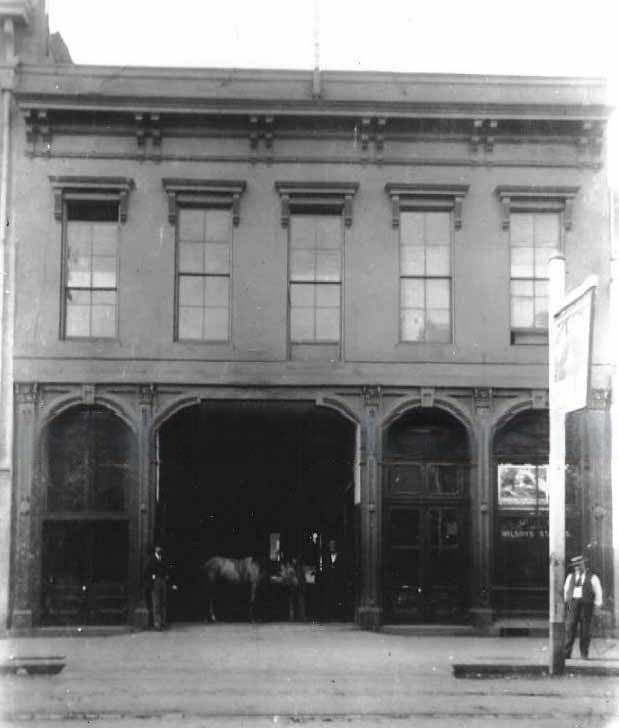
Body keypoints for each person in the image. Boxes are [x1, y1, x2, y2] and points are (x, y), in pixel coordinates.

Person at [563, 554, 603, 660]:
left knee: (585, 631)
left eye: (579, 565)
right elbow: (566, 591)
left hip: (587, 606)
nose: (577, 568)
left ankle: (584, 654)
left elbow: (598, 592)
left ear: (584, 564)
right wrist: (567, 604)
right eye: (575, 566)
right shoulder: (570, 577)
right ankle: (566, 653)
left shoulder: (593, 577)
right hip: (573, 605)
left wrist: (597, 605)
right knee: (569, 628)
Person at [144, 545, 174, 630]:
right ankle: (157, 623)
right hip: (155, 582)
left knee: (163, 602)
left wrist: (167, 576)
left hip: (163, 581)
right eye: (158, 547)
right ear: (155, 549)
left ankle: (163, 622)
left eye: (161, 547)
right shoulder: (151, 559)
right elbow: (146, 571)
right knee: (156, 603)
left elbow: (167, 568)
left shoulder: (163, 559)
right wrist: (152, 578)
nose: (160, 549)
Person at [319, 538, 349, 621]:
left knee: (338, 598)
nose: (332, 546)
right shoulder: (325, 556)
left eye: (333, 544)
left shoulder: (340, 555)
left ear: (335, 546)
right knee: (328, 598)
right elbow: (322, 567)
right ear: (328, 546)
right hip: (328, 580)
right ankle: (328, 616)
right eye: (330, 544)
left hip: (337, 580)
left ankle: (337, 616)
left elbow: (343, 567)